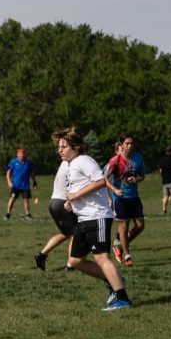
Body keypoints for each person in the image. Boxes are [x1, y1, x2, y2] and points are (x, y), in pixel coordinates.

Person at [58, 128, 132, 310]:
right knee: (75, 261)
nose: (60, 150)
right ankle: (115, 280)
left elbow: (100, 181)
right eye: (58, 147)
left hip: (97, 216)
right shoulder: (70, 165)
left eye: (64, 146)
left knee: (101, 257)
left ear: (75, 147)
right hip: (84, 219)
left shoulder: (84, 160)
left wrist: (75, 196)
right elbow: (79, 190)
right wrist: (71, 202)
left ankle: (122, 299)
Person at [35, 131, 77, 271]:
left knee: (66, 233)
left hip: (53, 202)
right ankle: (71, 265)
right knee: (76, 232)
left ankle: (41, 254)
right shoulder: (72, 162)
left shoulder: (65, 161)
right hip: (62, 202)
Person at [107, 134, 145, 267]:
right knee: (124, 226)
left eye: (131, 143)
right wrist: (114, 190)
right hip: (120, 198)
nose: (130, 146)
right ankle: (127, 255)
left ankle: (120, 246)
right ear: (121, 145)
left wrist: (136, 179)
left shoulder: (138, 158)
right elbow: (104, 178)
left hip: (134, 197)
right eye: (127, 143)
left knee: (140, 226)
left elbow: (142, 176)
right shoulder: (115, 160)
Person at [5, 147, 37, 221]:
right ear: (17, 154)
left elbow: (31, 173)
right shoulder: (13, 162)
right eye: (20, 154)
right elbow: (8, 172)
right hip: (15, 186)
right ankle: (8, 214)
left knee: (26, 199)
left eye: (23, 154)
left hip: (25, 185)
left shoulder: (28, 163)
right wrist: (9, 182)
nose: (21, 155)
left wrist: (34, 181)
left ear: (24, 155)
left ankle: (27, 214)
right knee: (12, 199)